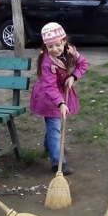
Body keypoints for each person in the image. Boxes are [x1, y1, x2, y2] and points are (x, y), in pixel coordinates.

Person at [29, 22, 88, 176]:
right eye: (50, 47)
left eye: (57, 45)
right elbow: (49, 87)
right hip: (48, 97)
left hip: (61, 92)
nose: (54, 49)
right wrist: (61, 103)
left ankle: (49, 145)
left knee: (54, 125)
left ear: (64, 41)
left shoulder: (70, 51)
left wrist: (74, 77)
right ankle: (58, 163)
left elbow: (83, 64)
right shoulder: (47, 62)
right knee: (55, 127)